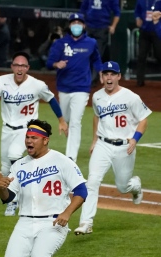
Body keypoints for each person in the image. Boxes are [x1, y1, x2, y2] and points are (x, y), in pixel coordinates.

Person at [0, 119, 88, 257]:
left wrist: (67, 212)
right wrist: (1, 188)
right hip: (24, 222)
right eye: (27, 137)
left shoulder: (61, 161)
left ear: (44, 140)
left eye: (33, 138)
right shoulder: (19, 165)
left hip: (53, 223)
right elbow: (8, 197)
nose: (29, 141)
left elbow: (82, 191)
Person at [0, 51, 68, 216]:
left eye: (23, 65)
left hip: (26, 129)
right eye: (16, 65)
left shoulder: (37, 84)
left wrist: (61, 120)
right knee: (5, 168)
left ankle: (19, 196)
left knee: (14, 154)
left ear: (28, 68)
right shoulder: (2, 81)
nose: (19, 68)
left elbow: (51, 98)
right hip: (7, 129)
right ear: (12, 66)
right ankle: (13, 198)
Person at [74, 62, 150, 235]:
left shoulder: (131, 97)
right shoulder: (97, 96)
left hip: (124, 147)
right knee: (92, 181)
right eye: (106, 74)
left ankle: (135, 185)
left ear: (119, 77)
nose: (109, 78)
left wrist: (135, 140)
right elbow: (96, 117)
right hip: (103, 145)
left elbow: (144, 119)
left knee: (123, 187)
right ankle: (86, 222)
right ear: (102, 77)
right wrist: (94, 140)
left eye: (112, 74)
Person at [46, 13, 103, 162]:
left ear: (83, 26)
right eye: (73, 23)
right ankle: (66, 130)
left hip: (82, 87)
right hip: (64, 87)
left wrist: (101, 71)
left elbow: (96, 58)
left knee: (76, 121)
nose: (76, 25)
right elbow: (48, 62)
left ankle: (71, 157)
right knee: (65, 119)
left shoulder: (91, 43)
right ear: (69, 26)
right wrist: (56, 64)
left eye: (79, 23)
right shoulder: (60, 43)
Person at [135, 0, 161, 86]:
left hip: (157, 31)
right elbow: (137, 11)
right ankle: (140, 80)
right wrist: (137, 18)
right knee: (141, 55)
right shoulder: (141, 0)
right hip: (144, 30)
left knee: (159, 54)